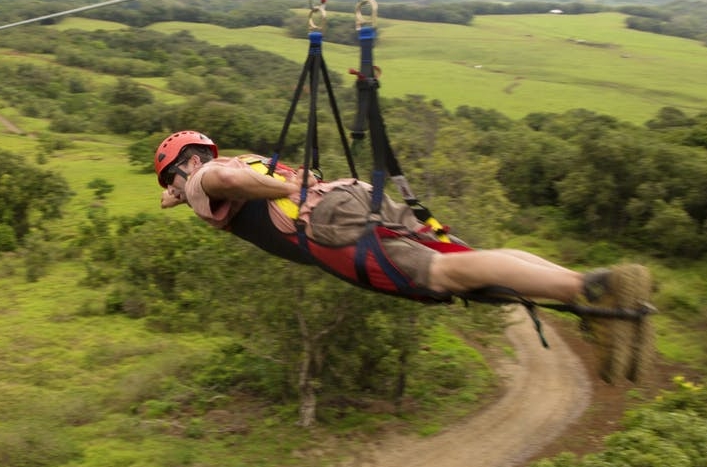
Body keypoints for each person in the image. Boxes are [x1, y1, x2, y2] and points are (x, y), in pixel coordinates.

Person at [154, 130, 607, 304]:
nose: (175, 193)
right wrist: (174, 192)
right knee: (455, 254)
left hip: (326, 224)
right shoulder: (242, 160)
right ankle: (573, 278)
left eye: (171, 180)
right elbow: (196, 189)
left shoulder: (206, 177)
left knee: (444, 272)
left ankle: (582, 288)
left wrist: (290, 188)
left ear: (183, 167)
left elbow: (217, 184)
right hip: (349, 195)